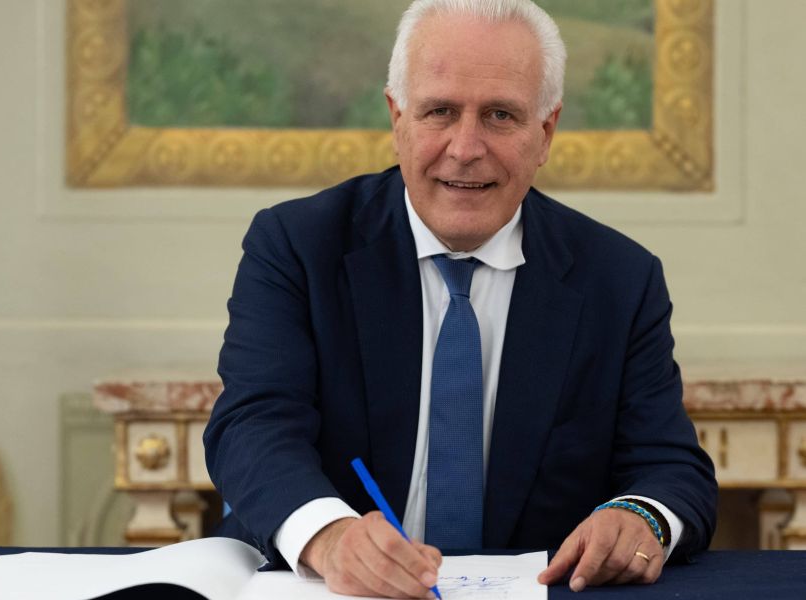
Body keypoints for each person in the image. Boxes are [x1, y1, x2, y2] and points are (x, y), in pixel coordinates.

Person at [204, 0, 717, 597]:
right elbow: (252, 426)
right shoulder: (297, 246)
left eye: (500, 115)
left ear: (545, 132)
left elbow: (671, 468)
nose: (465, 147)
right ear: (398, 118)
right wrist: (330, 538)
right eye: (440, 112)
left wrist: (640, 517)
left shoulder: (619, 279)